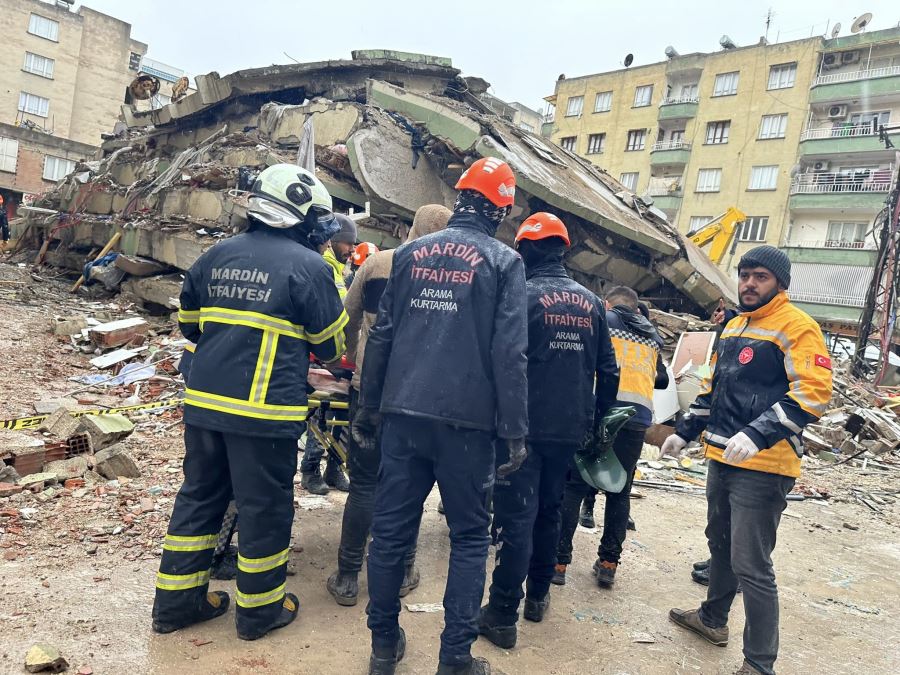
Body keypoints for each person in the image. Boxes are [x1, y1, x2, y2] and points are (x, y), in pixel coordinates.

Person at [152, 163, 348, 641]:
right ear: (298, 214)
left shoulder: (213, 256)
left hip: (203, 407)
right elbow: (333, 347)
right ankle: (259, 612)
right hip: (264, 416)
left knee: (199, 501)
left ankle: (176, 605)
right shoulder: (310, 268)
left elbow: (191, 326)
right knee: (265, 510)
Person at [356, 157, 528, 675]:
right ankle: (455, 658)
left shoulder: (409, 254)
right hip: (468, 425)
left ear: (460, 197)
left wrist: (368, 407)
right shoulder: (503, 262)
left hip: (403, 415)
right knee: (471, 537)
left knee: (390, 534)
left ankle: (383, 646)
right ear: (500, 206)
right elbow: (510, 353)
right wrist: (516, 430)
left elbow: (381, 335)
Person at [663, 245, 832, 675]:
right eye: (744, 275)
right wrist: (683, 433)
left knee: (752, 564)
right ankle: (712, 620)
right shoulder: (736, 325)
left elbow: (813, 393)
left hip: (765, 465)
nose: (749, 284)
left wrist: (757, 435)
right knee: (719, 545)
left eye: (760, 277)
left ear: (780, 282)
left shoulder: (799, 328)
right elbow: (713, 389)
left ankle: (759, 663)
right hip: (721, 457)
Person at [477, 212, 618, 650]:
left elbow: (499, 361)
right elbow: (608, 371)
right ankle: (537, 598)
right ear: (562, 249)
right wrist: (597, 424)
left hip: (522, 428)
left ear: (525, 249)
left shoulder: (520, 295)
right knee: (550, 510)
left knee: (515, 516)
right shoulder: (592, 303)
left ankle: (502, 614)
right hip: (569, 428)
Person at [326, 204, 451, 608]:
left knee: (364, 484)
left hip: (371, 388)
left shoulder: (377, 263)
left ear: (411, 227)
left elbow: (346, 319)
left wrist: (348, 361)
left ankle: (347, 575)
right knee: (409, 488)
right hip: (422, 396)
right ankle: (403, 571)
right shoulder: (453, 275)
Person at [553, 286, 667, 588]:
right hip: (636, 420)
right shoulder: (652, 334)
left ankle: (559, 561)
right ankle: (608, 563)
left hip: (602, 411)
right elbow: (661, 378)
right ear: (635, 306)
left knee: (574, 486)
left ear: (608, 303)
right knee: (620, 491)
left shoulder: (602, 320)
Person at [300, 213, 358, 494]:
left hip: (336, 355)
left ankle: (334, 469)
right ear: (334, 241)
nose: (351, 250)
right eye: (348, 244)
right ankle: (310, 470)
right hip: (320, 355)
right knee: (319, 417)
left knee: (339, 418)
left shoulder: (337, 270)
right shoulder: (322, 266)